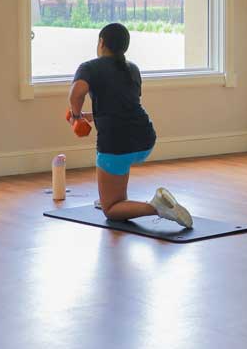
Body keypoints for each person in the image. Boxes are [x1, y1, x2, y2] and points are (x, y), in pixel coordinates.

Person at [68, 22, 192, 228]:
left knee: (111, 211)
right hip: (145, 140)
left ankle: (156, 207)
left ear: (101, 43)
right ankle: (115, 198)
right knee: (116, 188)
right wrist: (87, 116)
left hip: (116, 145)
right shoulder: (133, 69)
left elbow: (76, 92)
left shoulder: (89, 67)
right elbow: (123, 105)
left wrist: (74, 115)